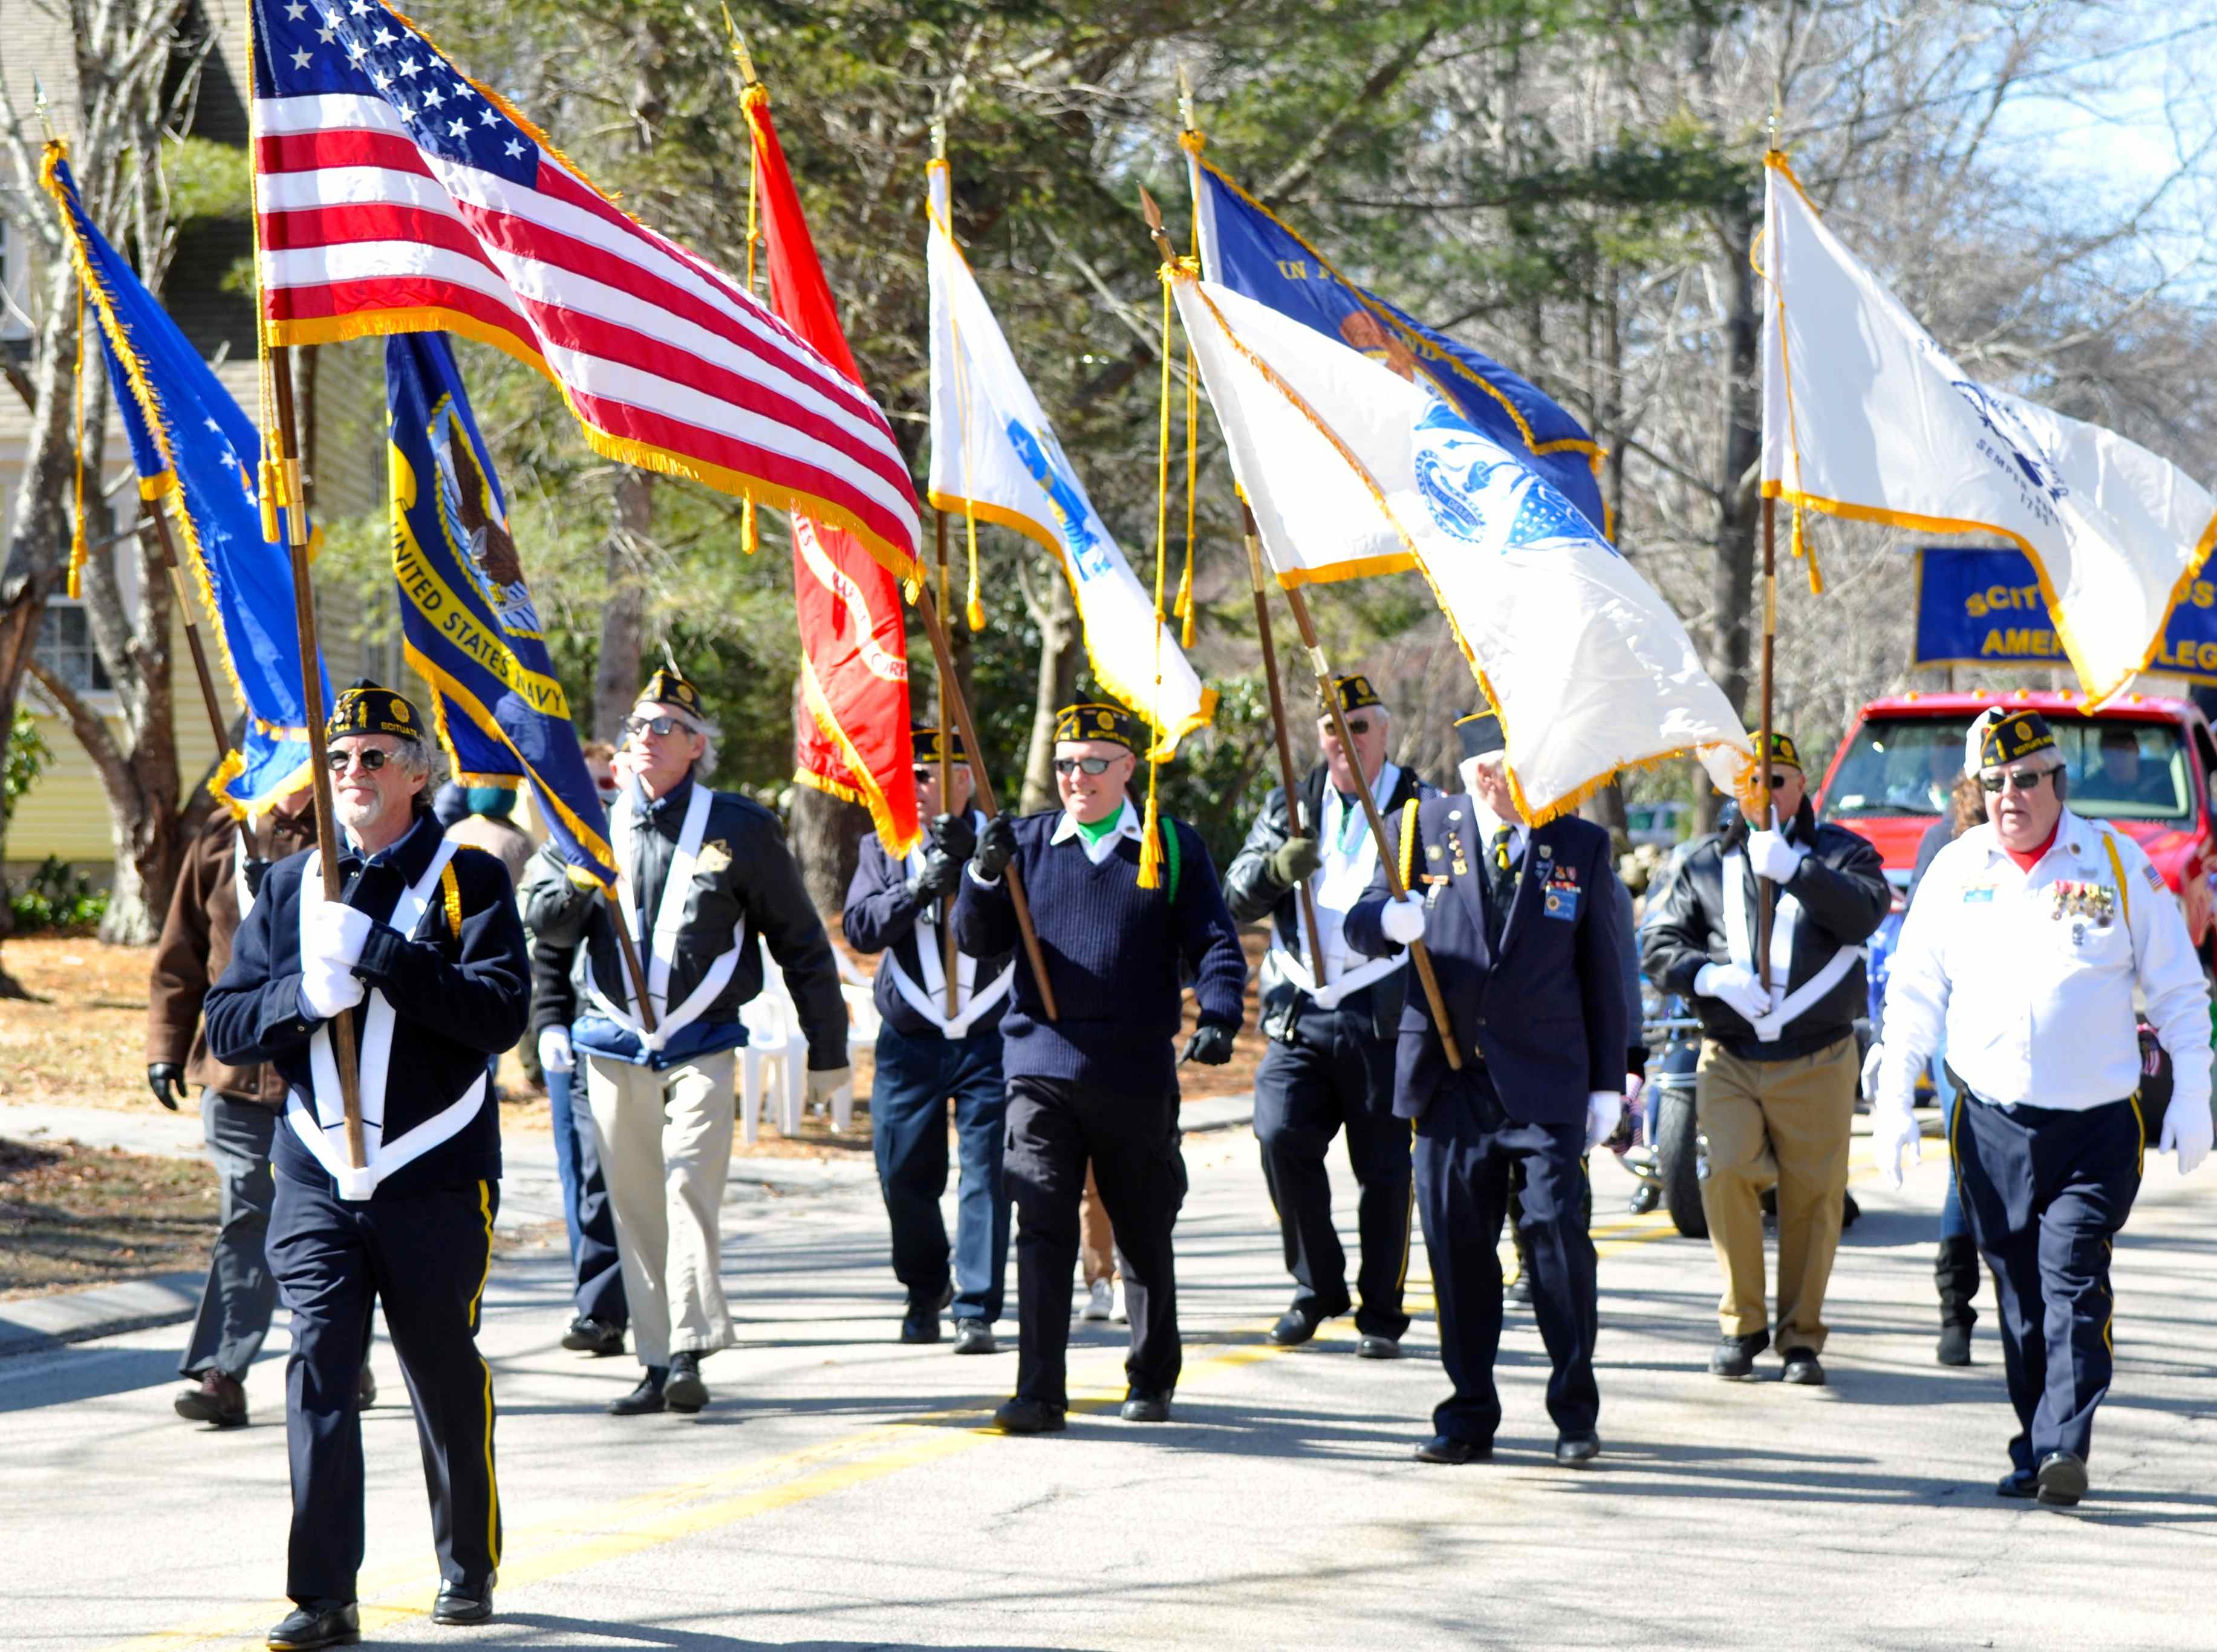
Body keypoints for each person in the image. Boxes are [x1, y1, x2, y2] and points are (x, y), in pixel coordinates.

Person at [204, 682, 531, 1647]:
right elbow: (227, 1022)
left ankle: (466, 1566)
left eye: (376, 756)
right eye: (340, 759)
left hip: (432, 1172)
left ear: (420, 771)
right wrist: (301, 996)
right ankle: (323, 1593)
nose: (353, 772)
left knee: (439, 1370)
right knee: (318, 1372)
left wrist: (387, 957)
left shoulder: (472, 880)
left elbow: (497, 1013)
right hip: (313, 1169)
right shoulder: (287, 884)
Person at [1872, 709, 2212, 1507]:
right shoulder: (1956, 869)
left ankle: (2065, 1446)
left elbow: (2176, 988)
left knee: (2070, 1280)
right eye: (1993, 783)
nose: (2009, 796)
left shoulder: (2115, 863)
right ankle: (2034, 1445)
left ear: (2058, 783)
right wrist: (1893, 1095)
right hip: (1988, 1121)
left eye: (2025, 780)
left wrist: (2194, 1090)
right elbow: (1914, 992)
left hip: (2093, 1123)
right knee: (2019, 1297)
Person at [525, 666, 850, 1418]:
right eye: (637, 726)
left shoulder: (739, 825)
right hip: (611, 1041)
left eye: (663, 726)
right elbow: (543, 926)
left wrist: (827, 1048)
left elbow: (800, 940)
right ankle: (654, 1356)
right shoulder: (586, 820)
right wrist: (548, 1013)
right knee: (635, 1204)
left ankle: (693, 1347)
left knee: (685, 1188)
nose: (643, 738)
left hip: (702, 1040)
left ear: (696, 745)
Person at [1343, 707, 1628, 1467]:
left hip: (1545, 1082)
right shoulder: (1417, 827)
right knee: (1457, 1252)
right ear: (1469, 770)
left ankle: (1574, 1409)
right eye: (1492, 772)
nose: (1506, 787)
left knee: (1556, 1241)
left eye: (1520, 771)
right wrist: (1389, 921)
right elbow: (1359, 922)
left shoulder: (1580, 842)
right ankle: (1468, 1412)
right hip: (1449, 1076)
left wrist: (1609, 1082)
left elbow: (1604, 972)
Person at [955, 701, 1246, 1434]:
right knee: (1042, 1225)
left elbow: (1214, 941)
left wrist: (1218, 1014)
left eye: (1091, 763)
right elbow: (975, 938)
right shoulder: (1021, 842)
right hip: (1040, 1066)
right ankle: (1039, 1391)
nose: (1075, 777)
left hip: (1133, 1069)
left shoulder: (1167, 845)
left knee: (1143, 1230)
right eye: (1063, 764)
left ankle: (1151, 1374)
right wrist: (983, 875)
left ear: (1127, 769)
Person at [1641, 730, 1889, 1385]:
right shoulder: (1698, 862)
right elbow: (1659, 940)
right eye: (1752, 781)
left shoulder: (1843, 851)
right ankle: (1741, 1323)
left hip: (1818, 1052)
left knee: (1813, 1195)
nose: (1766, 793)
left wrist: (1798, 872)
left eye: (1778, 780)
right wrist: (1708, 976)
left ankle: (1801, 1337)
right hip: (1730, 1054)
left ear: (1802, 785)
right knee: (1724, 1173)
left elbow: (1867, 911)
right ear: (1733, 789)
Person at [148, 778, 374, 1429]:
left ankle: (339, 1352)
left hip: (326, 1070)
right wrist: (165, 1044)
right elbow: (181, 950)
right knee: (249, 1208)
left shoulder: (349, 837)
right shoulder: (222, 834)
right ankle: (223, 1368)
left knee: (335, 1222)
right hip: (236, 1069)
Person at [1223, 673, 1427, 1358]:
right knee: (1280, 1134)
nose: (1346, 739)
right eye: (1332, 728)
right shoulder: (1293, 800)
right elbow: (1236, 894)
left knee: (1385, 1170)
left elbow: (1451, 899)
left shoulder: (1420, 805)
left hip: (1382, 1009)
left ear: (1385, 730)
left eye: (1359, 725)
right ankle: (1317, 1287)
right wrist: (1277, 868)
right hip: (1302, 1008)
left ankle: (1382, 1308)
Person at [842, 724, 1013, 1353]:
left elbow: (1023, 922)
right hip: (911, 1037)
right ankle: (925, 1287)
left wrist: (977, 868)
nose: (910, 784)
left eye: (926, 772)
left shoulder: (1005, 840)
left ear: (963, 778)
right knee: (903, 1172)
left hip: (989, 1036)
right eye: (907, 772)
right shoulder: (881, 846)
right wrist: (917, 887)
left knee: (986, 1175)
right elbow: (860, 926)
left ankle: (976, 1306)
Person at [1898, 709, 1998, 1366]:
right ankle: (1954, 1310)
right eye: (1996, 773)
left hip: (2040, 1040)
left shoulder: (2071, 842)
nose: (2011, 790)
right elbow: (1919, 950)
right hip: (1964, 1033)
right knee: (1967, 1170)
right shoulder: (1944, 842)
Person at [521, 847, 630, 1361]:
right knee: (592, 1175)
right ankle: (602, 1310)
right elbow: (549, 941)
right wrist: (550, 1021)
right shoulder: (571, 839)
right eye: (599, 759)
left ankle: (674, 1311)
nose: (607, 770)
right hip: (592, 1033)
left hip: (681, 1034)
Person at [2074, 724, 2175, 811]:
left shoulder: (2163, 781)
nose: (2117, 762)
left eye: (2123, 754)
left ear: (2136, 750)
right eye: (2110, 755)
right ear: (2102, 756)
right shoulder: (2090, 791)